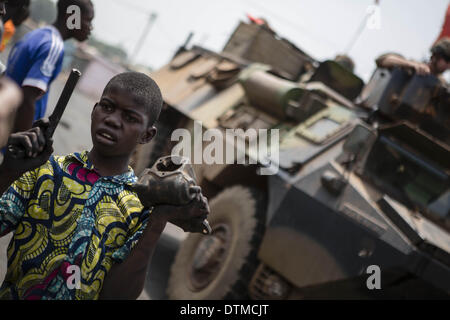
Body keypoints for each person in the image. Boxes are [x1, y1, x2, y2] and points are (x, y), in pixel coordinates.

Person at [0, 72, 210, 300]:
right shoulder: (47, 170)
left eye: (130, 118)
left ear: (147, 135)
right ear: (94, 110)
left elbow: (117, 296)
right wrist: (9, 171)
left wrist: (158, 222)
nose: (112, 120)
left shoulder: (138, 208)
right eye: (107, 107)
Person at [5, 0, 94, 133]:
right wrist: (24, 140)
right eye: (88, 20)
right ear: (72, 17)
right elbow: (28, 98)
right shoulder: (53, 46)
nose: (90, 27)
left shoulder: (36, 35)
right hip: (11, 135)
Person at [375, 38, 450, 83]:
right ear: (436, 56)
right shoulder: (410, 67)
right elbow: (383, 60)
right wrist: (411, 65)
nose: (448, 66)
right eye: (447, 60)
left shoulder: (441, 84)